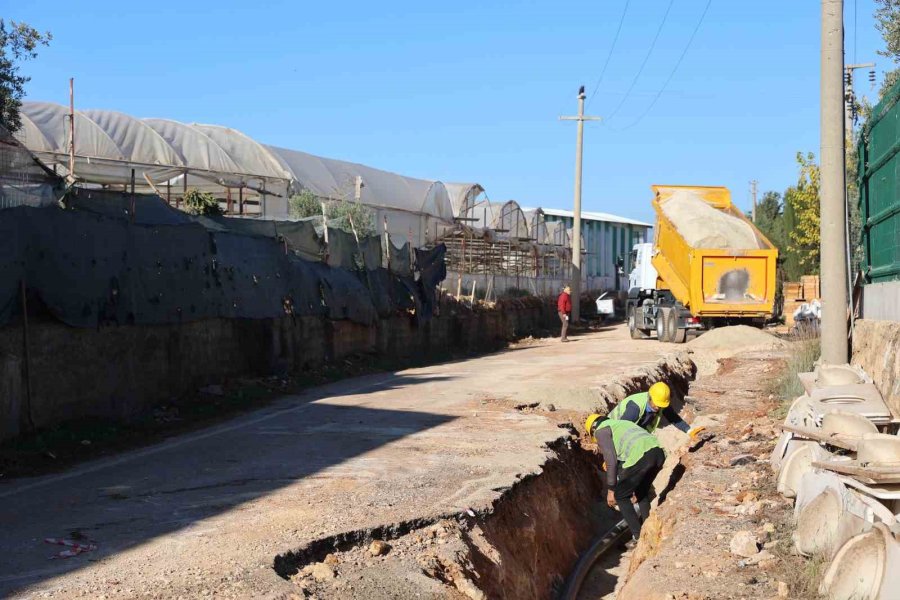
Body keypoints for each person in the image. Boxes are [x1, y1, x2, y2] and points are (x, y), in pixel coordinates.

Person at [585, 413, 665, 541]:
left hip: (642, 456)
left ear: (593, 429)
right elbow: (624, 464)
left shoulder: (601, 431)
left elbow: (611, 462)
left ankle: (638, 536)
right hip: (658, 453)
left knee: (621, 495)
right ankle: (648, 531)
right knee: (641, 492)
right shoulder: (621, 424)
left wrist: (611, 490)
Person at [608, 382, 704, 438]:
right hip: (609, 432)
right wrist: (612, 456)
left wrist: (689, 430)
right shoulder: (635, 408)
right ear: (650, 397)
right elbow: (620, 432)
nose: (658, 408)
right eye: (657, 404)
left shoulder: (660, 403)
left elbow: (674, 418)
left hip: (634, 431)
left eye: (661, 405)